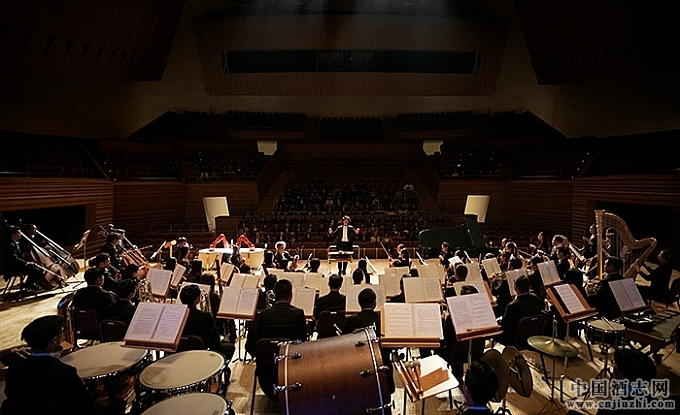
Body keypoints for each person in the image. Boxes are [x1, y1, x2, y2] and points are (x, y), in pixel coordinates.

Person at [0, 315, 124, 415]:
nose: (64, 333)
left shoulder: (14, 369)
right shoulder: (64, 372)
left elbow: (11, 395)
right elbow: (84, 404)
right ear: (55, 340)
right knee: (118, 403)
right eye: (62, 332)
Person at [251, 279, 307, 400]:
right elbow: (303, 342)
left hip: (266, 371)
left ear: (275, 294)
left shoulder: (264, 315)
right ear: (291, 295)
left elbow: (256, 342)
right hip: (291, 367)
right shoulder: (298, 313)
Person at [342, 287, 395, 394]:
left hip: (357, 366)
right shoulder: (383, 319)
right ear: (375, 303)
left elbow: (344, 345)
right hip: (382, 364)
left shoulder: (350, 321)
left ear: (359, 303)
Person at [179, 284, 235, 360]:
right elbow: (215, 343)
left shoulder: (176, 316)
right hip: (201, 352)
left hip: (180, 352)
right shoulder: (205, 317)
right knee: (230, 347)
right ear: (196, 300)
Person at [497, 275, 544, 346]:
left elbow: (505, 325)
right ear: (529, 287)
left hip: (514, 337)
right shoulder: (535, 298)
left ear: (515, 288)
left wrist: (498, 321)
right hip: (533, 335)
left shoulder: (512, 306)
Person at [3, 226, 38, 292]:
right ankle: (28, 286)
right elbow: (14, 259)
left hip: (17, 265)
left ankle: (29, 285)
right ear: (13, 235)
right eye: (18, 233)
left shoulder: (15, 243)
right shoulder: (10, 245)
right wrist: (26, 263)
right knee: (35, 270)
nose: (21, 234)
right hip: (13, 267)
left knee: (36, 268)